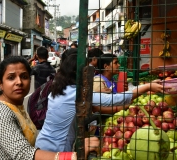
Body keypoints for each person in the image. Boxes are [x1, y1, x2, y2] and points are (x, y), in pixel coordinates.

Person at [35, 53, 170, 152]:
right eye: (86, 71)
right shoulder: (75, 93)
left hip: (43, 143)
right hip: (56, 148)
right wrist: (147, 87)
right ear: (77, 73)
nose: (89, 74)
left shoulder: (61, 88)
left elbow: (93, 107)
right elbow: (113, 100)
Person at [0, 56, 99, 160]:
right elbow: (23, 154)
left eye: (24, 76)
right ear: (1, 83)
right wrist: (73, 156)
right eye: (11, 78)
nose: (19, 82)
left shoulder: (17, 107)